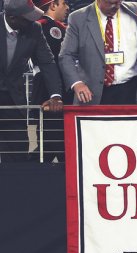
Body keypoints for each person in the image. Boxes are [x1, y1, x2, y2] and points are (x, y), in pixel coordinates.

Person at [58, 0, 137, 105]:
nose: (115, 6)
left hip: (130, 91)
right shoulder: (78, 18)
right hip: (92, 92)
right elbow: (66, 55)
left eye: (118, 2)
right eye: (110, 3)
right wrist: (77, 83)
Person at [0, 0, 62, 162]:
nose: (32, 20)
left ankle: (16, 187)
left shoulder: (34, 29)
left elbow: (47, 62)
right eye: (27, 18)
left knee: (17, 154)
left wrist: (55, 94)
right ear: (12, 18)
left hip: (13, 100)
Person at [30, 0, 69, 162]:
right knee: (53, 138)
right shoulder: (48, 27)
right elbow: (54, 61)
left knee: (54, 137)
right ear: (53, 5)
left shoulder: (56, 27)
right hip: (50, 87)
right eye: (64, 4)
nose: (67, 8)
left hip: (53, 86)